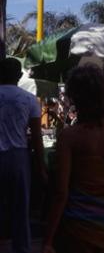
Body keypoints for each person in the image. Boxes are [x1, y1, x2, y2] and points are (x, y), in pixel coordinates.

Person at [42, 64, 104, 253]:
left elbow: (61, 193)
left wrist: (48, 240)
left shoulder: (70, 136)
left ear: (76, 98)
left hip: (79, 231)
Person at [0, 57, 46, 253]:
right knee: (21, 207)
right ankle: (23, 248)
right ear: (19, 76)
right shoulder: (29, 99)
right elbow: (36, 137)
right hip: (19, 158)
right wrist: (41, 167)